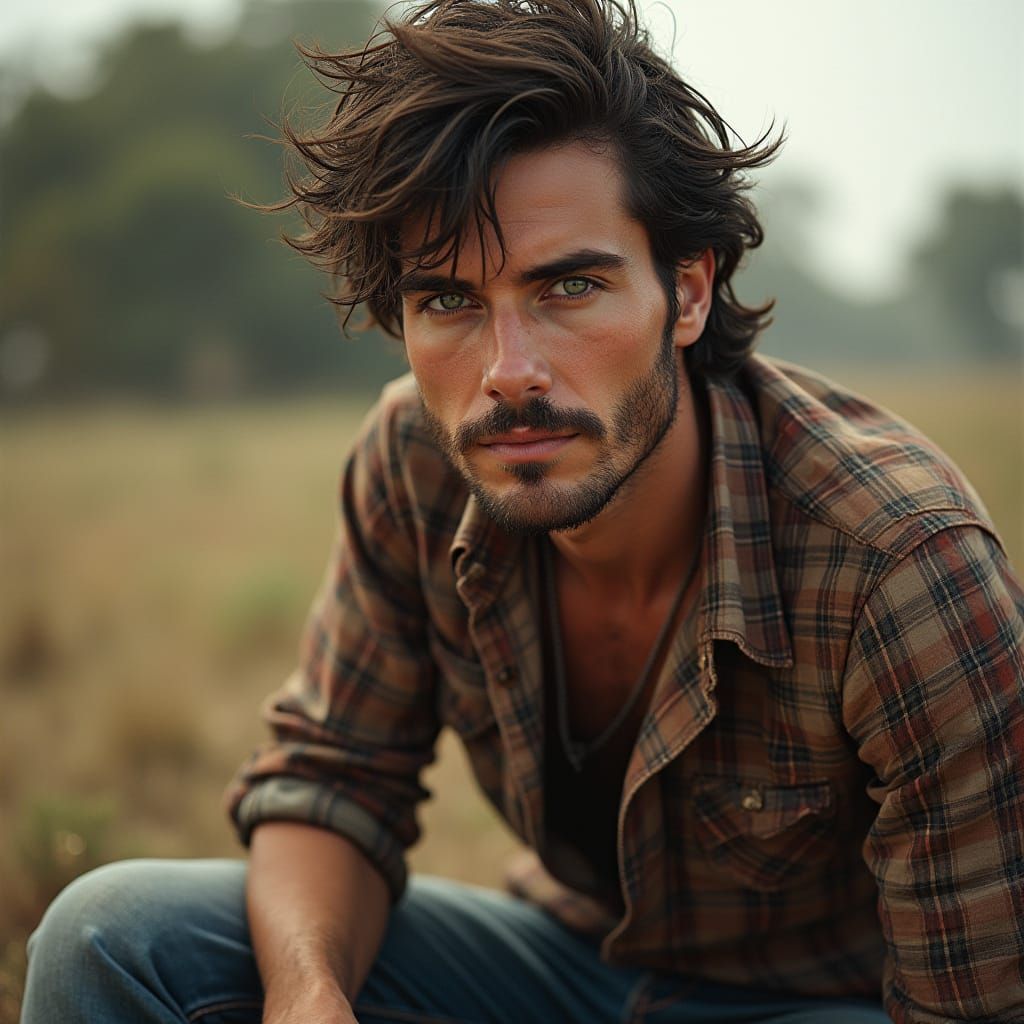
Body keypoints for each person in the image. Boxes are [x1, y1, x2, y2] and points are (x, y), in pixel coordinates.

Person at [21, 0, 1024, 1022]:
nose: (509, 373)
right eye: (449, 301)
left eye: (569, 286)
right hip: (561, 965)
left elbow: (969, 1001)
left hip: (826, 1004)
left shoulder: (900, 560)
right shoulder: (414, 463)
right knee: (110, 936)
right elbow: (336, 783)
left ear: (685, 291)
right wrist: (308, 994)